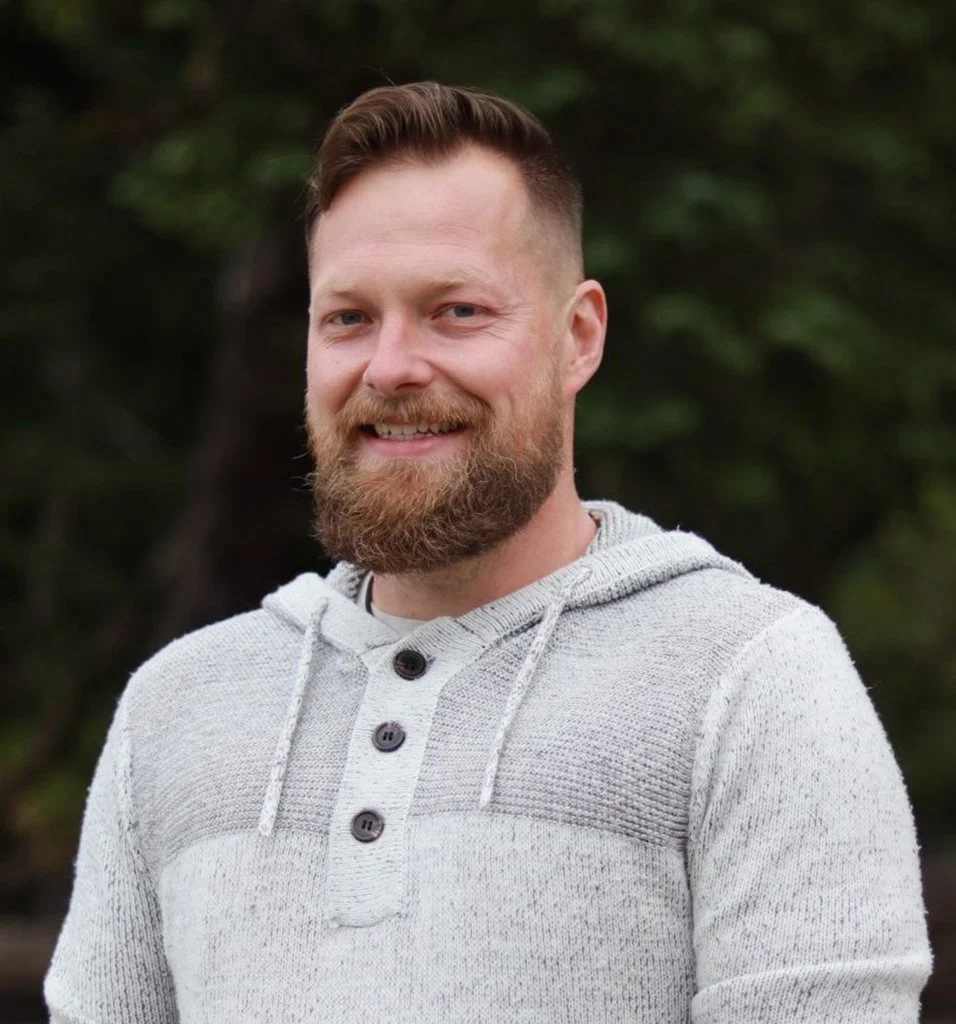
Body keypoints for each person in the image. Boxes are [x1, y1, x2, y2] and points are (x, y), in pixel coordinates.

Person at [45, 81, 931, 1023]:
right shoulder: (176, 706)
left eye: (456, 311)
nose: (390, 367)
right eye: (347, 318)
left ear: (577, 336)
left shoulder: (752, 682)